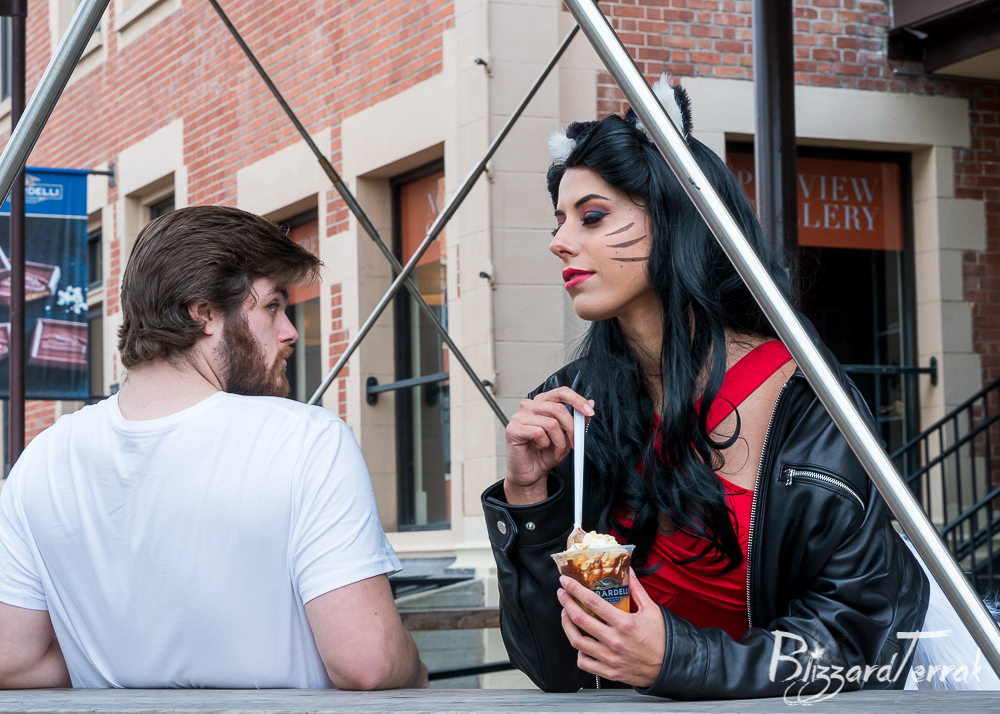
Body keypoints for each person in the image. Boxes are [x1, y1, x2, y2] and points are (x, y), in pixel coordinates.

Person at [480, 76, 931, 699]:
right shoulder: (572, 406)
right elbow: (555, 668)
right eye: (559, 221)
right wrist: (529, 500)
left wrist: (676, 660)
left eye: (592, 217)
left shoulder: (806, 398)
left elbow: (858, 642)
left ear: (676, 217)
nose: (559, 243)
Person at [0, 206, 428, 690]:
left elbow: (14, 660)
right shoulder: (306, 438)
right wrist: (415, 668)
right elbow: (368, 662)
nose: (290, 331)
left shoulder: (43, 459)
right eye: (272, 306)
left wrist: (113, 665)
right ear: (202, 313)